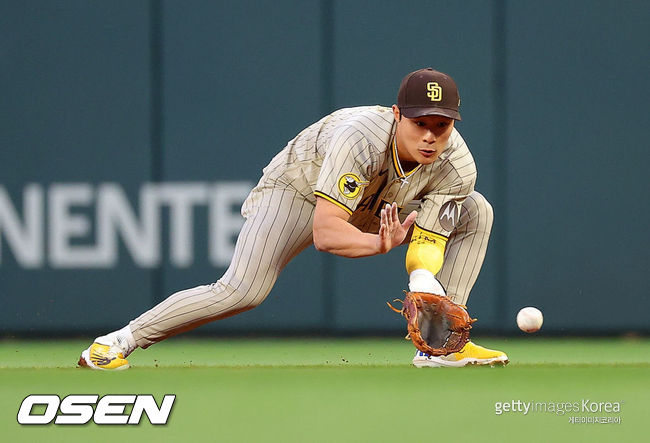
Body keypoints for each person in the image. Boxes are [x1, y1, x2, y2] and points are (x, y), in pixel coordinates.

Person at [78, 68, 508, 370]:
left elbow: (430, 240)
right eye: (420, 122)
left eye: (442, 125)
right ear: (398, 115)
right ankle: (119, 340)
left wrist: (422, 285)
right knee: (242, 290)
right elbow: (326, 232)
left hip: (383, 202)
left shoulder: (457, 164)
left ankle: (442, 349)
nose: (431, 135)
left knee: (477, 210)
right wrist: (379, 244)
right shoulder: (360, 137)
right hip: (300, 189)